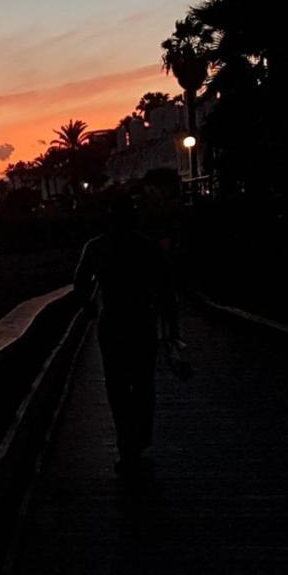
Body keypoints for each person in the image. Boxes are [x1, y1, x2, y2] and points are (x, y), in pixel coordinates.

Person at [73, 196, 179, 475]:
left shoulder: (96, 247)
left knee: (117, 386)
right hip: (142, 322)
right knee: (143, 384)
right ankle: (140, 440)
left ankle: (126, 445)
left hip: (112, 322)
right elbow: (167, 291)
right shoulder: (148, 248)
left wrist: (87, 307)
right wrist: (173, 330)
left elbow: (80, 282)